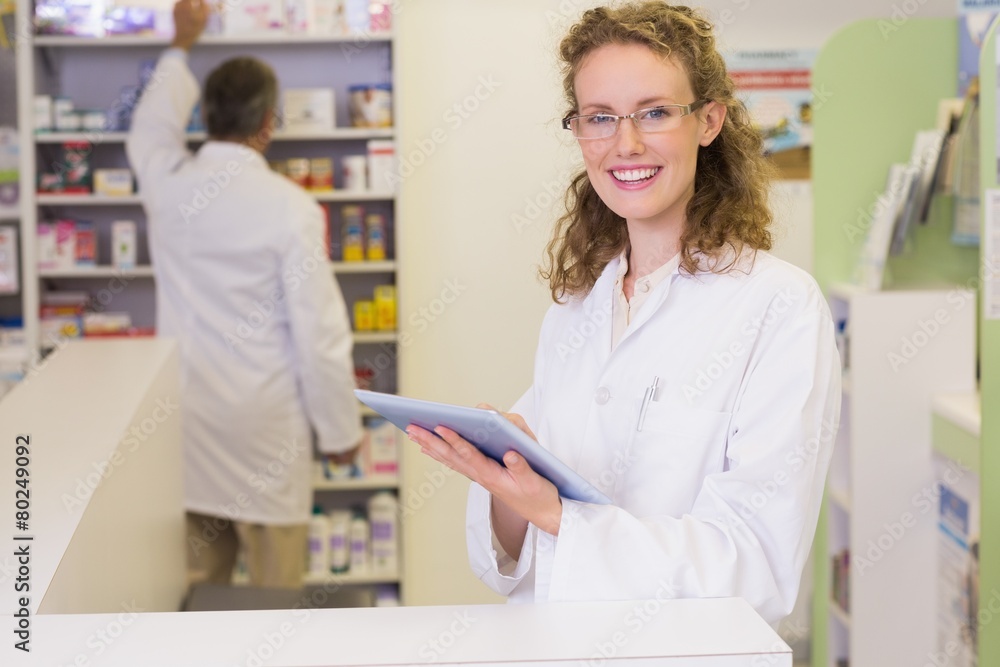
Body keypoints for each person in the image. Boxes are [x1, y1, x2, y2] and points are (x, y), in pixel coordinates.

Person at [406, 1, 840, 624]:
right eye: (600, 117)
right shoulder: (580, 303)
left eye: (655, 113)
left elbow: (757, 564)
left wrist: (557, 514)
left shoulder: (779, 307)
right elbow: (517, 560)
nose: (624, 144)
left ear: (709, 120)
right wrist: (506, 482)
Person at [126, 0, 361, 589]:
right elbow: (320, 334)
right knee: (274, 603)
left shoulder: (168, 185)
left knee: (191, 595)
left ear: (205, 115)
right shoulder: (291, 208)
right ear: (269, 123)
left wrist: (181, 42)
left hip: (189, 421)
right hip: (265, 433)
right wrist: (339, 432)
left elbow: (150, 126)